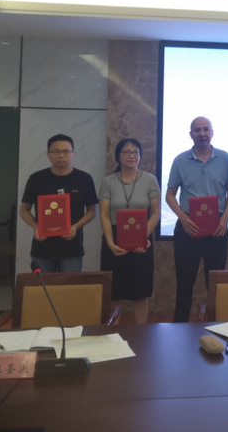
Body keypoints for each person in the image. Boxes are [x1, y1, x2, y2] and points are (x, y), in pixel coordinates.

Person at [165, 117, 228, 323]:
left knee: (215, 283)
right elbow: (170, 195)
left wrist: (225, 219)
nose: (202, 134)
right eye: (197, 130)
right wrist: (183, 218)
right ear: (191, 134)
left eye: (206, 129)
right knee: (184, 282)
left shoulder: (225, 158)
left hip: (217, 227)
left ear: (212, 133)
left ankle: (218, 326)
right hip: (188, 227)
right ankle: (179, 328)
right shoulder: (180, 160)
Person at [99, 138, 160, 324]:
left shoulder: (150, 180)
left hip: (142, 239)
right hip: (114, 238)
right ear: (118, 156)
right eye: (126, 152)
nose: (131, 155)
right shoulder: (108, 181)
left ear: (140, 156)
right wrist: (110, 243)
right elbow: (104, 215)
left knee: (140, 293)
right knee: (113, 292)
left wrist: (142, 237)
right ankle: (112, 332)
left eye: (135, 152)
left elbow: (155, 213)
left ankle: (141, 333)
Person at [19, 134, 98, 273]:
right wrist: (36, 227)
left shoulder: (84, 179)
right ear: (48, 154)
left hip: (71, 247)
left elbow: (92, 211)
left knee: (68, 286)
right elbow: (24, 210)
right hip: (42, 247)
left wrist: (75, 227)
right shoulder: (36, 178)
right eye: (56, 151)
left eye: (66, 151)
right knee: (42, 286)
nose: (61, 155)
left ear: (73, 153)